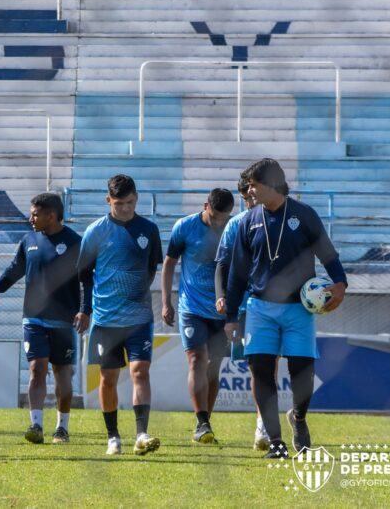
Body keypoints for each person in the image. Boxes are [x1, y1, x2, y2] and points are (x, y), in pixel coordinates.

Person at [225, 158, 348, 459]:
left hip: (299, 310)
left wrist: (340, 284)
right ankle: (276, 442)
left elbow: (328, 254)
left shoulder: (304, 215)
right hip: (259, 309)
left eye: (254, 185)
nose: (249, 190)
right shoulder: (247, 221)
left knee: (302, 373)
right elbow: (237, 272)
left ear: (272, 184)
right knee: (261, 371)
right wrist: (229, 316)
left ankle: (299, 418)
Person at [0, 192, 88, 444]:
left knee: (63, 377)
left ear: (51, 215)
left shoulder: (75, 242)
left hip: (64, 321)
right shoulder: (28, 240)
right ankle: (36, 425)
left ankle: (61, 428)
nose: (31, 218)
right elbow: (13, 270)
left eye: (35, 214)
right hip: (34, 318)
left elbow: (87, 280)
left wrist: (85, 309)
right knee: (36, 368)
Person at [77, 174, 162, 456]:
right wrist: (85, 309)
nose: (126, 208)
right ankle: (113, 436)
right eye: (119, 203)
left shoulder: (148, 229)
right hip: (105, 320)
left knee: (141, 371)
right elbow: (84, 275)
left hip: (139, 318)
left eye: (130, 202)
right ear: (108, 200)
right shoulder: (95, 232)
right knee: (108, 378)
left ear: (136, 198)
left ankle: (141, 433)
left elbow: (152, 268)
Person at [161, 188, 234, 445]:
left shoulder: (233, 229)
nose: (218, 223)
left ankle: (205, 423)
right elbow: (169, 262)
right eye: (215, 217)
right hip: (191, 307)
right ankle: (202, 421)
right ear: (205, 206)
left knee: (214, 367)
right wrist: (166, 301)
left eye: (224, 218)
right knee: (196, 360)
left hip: (222, 310)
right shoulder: (185, 227)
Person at [214, 178, 268, 451]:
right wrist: (223, 297)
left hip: (273, 304)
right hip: (246, 307)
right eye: (248, 198)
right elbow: (222, 264)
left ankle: (267, 423)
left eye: (256, 196)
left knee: (267, 366)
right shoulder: (236, 225)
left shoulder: (278, 220)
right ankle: (263, 425)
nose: (253, 201)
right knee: (258, 366)